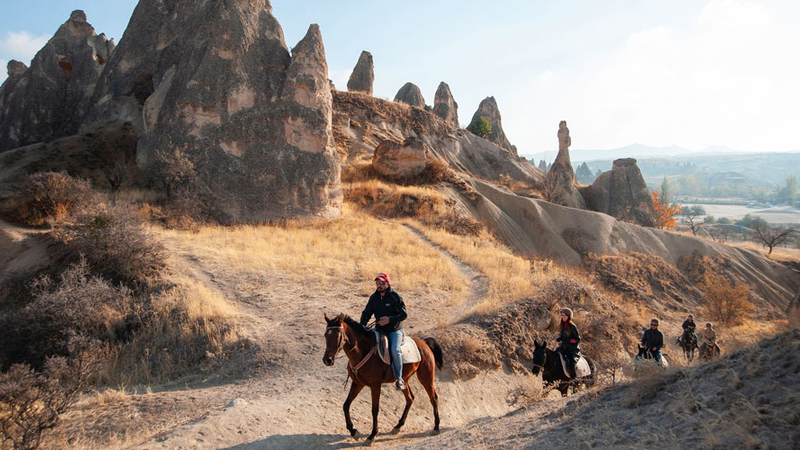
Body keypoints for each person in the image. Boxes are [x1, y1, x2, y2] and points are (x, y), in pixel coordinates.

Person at [360, 272, 408, 390]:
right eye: (377, 283)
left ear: (387, 283)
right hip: (379, 329)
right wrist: (363, 325)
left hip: (394, 330)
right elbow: (367, 312)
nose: (379, 285)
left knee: (395, 350)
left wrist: (389, 320)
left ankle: (399, 378)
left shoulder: (395, 297)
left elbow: (403, 314)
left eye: (381, 283)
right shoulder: (374, 297)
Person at [555, 308, 581, 378]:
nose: (563, 317)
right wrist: (560, 338)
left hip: (572, 349)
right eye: (562, 315)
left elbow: (578, 339)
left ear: (569, 316)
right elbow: (564, 336)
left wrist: (570, 341)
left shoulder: (573, 327)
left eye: (565, 315)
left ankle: (574, 380)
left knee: (572, 363)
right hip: (564, 347)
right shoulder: (563, 326)